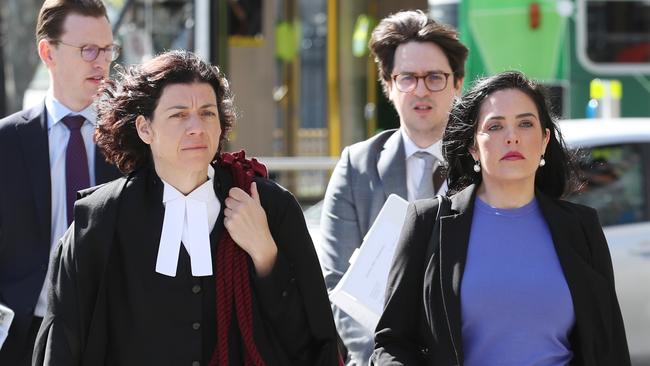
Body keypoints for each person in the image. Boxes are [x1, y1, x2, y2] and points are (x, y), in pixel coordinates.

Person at [32, 50, 340, 366]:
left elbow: (314, 342)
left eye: (207, 113)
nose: (196, 127)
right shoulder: (99, 222)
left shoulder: (269, 207)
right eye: (179, 114)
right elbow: (63, 347)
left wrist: (265, 256)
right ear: (145, 129)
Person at [372, 71, 631, 365]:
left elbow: (609, 346)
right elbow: (392, 343)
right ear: (473, 146)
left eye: (525, 123)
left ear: (545, 140)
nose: (512, 137)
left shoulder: (581, 227)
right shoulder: (428, 222)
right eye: (495, 126)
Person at [318, 10, 468, 365]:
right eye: (407, 78)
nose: (420, 89)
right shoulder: (357, 167)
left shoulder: (480, 165)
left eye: (434, 77)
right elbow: (336, 282)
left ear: (457, 83)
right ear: (388, 84)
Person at [0, 1, 121, 365]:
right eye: (87, 49)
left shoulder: (134, 142)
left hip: (109, 337)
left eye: (108, 49)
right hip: (20, 337)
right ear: (47, 52)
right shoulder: (6, 142)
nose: (101, 61)